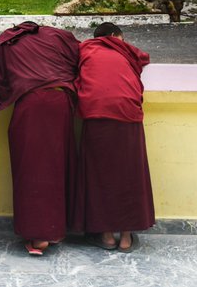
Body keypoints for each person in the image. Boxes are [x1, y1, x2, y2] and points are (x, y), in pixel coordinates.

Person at [0, 20, 80, 256]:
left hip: (30, 104)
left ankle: (38, 236)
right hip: (60, 102)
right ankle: (55, 230)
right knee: (58, 166)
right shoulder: (57, 37)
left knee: (30, 169)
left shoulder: (10, 42)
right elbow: (80, 59)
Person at [74, 21, 154, 253]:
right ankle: (126, 237)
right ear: (114, 36)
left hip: (96, 112)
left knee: (100, 174)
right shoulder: (126, 51)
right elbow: (143, 60)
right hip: (128, 113)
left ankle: (107, 236)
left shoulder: (86, 49)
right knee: (129, 173)